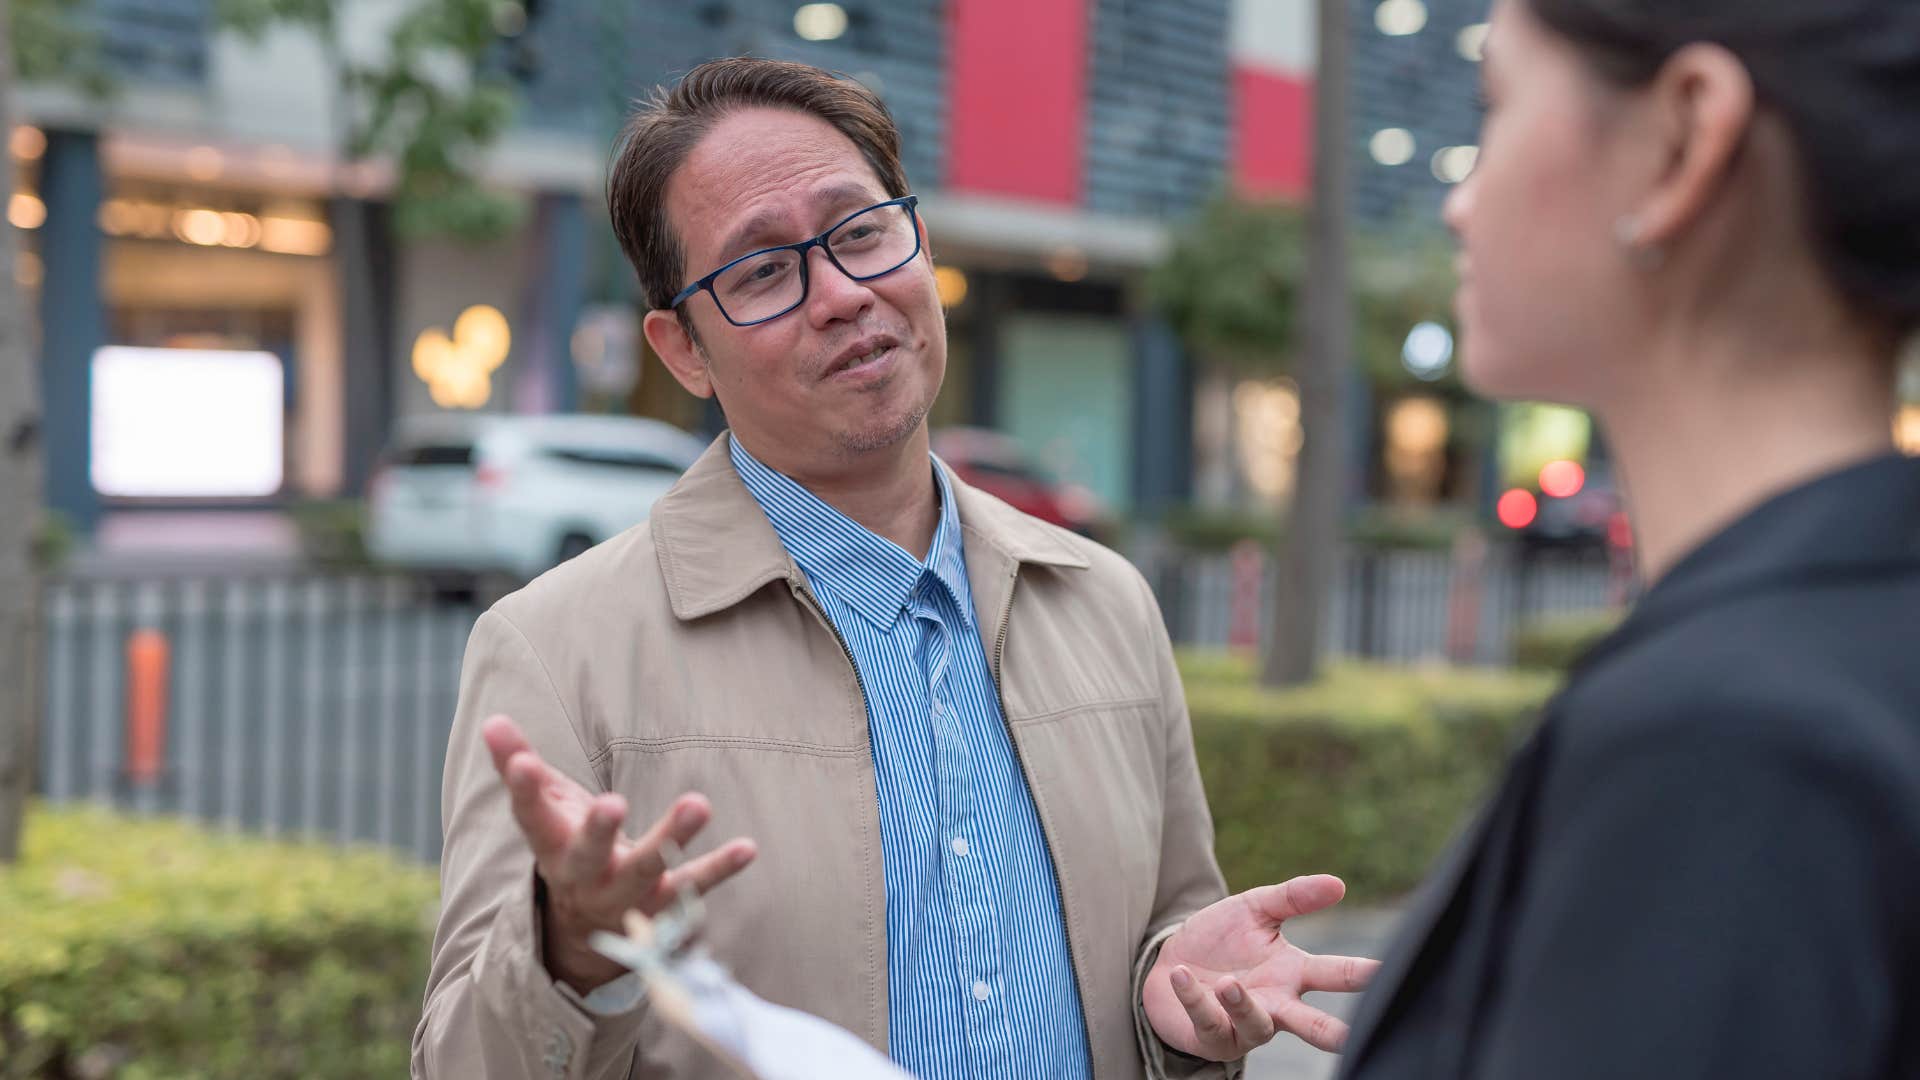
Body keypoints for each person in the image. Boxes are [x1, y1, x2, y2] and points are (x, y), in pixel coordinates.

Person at [414, 57, 1377, 1080]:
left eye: (861, 232)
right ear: (683, 349)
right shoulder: (558, 649)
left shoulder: (1103, 600)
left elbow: (1168, 928)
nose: (840, 293)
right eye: (762, 272)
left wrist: (1175, 1007)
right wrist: (567, 952)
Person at [1339, 1, 1920, 1077]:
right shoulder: (1857, 637)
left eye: (1496, 106)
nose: (1459, 201)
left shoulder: (1732, 743)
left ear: (1685, 140)